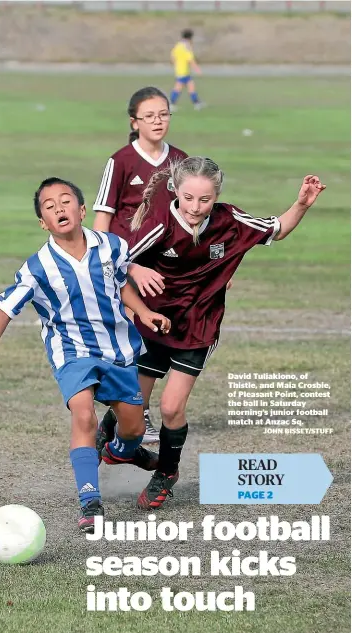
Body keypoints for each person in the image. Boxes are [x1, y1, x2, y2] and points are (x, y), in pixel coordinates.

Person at [0, 177, 171, 533]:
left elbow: (121, 284)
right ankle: (90, 503)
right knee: (84, 415)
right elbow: (5, 306)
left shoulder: (112, 246)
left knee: (134, 428)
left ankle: (121, 451)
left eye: (65, 201)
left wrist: (143, 312)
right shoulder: (38, 267)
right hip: (72, 352)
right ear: (43, 223)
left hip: (119, 350)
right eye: (49, 206)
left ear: (81, 209)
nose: (59, 208)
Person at [123, 157, 325, 510]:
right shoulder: (159, 225)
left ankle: (166, 473)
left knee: (171, 409)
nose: (195, 208)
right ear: (175, 190)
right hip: (154, 323)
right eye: (188, 198)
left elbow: (278, 228)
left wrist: (302, 204)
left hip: (199, 328)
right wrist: (137, 270)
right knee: (129, 407)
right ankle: (114, 441)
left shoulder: (230, 221)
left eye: (204, 200)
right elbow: (116, 262)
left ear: (216, 196)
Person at [93, 86, 188, 443]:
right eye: (150, 116)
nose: (158, 121)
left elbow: (191, 213)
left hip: (164, 267)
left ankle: (119, 418)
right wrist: (109, 263)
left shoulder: (180, 159)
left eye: (164, 114)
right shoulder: (120, 160)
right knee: (137, 337)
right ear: (135, 122)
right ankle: (136, 413)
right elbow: (103, 217)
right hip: (125, 265)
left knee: (157, 335)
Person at [170, 29, 204, 111]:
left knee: (190, 86)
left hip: (179, 69)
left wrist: (176, 65)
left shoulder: (178, 46)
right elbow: (190, 59)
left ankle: (197, 103)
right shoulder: (186, 47)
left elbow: (172, 57)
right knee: (180, 87)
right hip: (184, 70)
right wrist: (197, 69)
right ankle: (171, 104)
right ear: (190, 38)